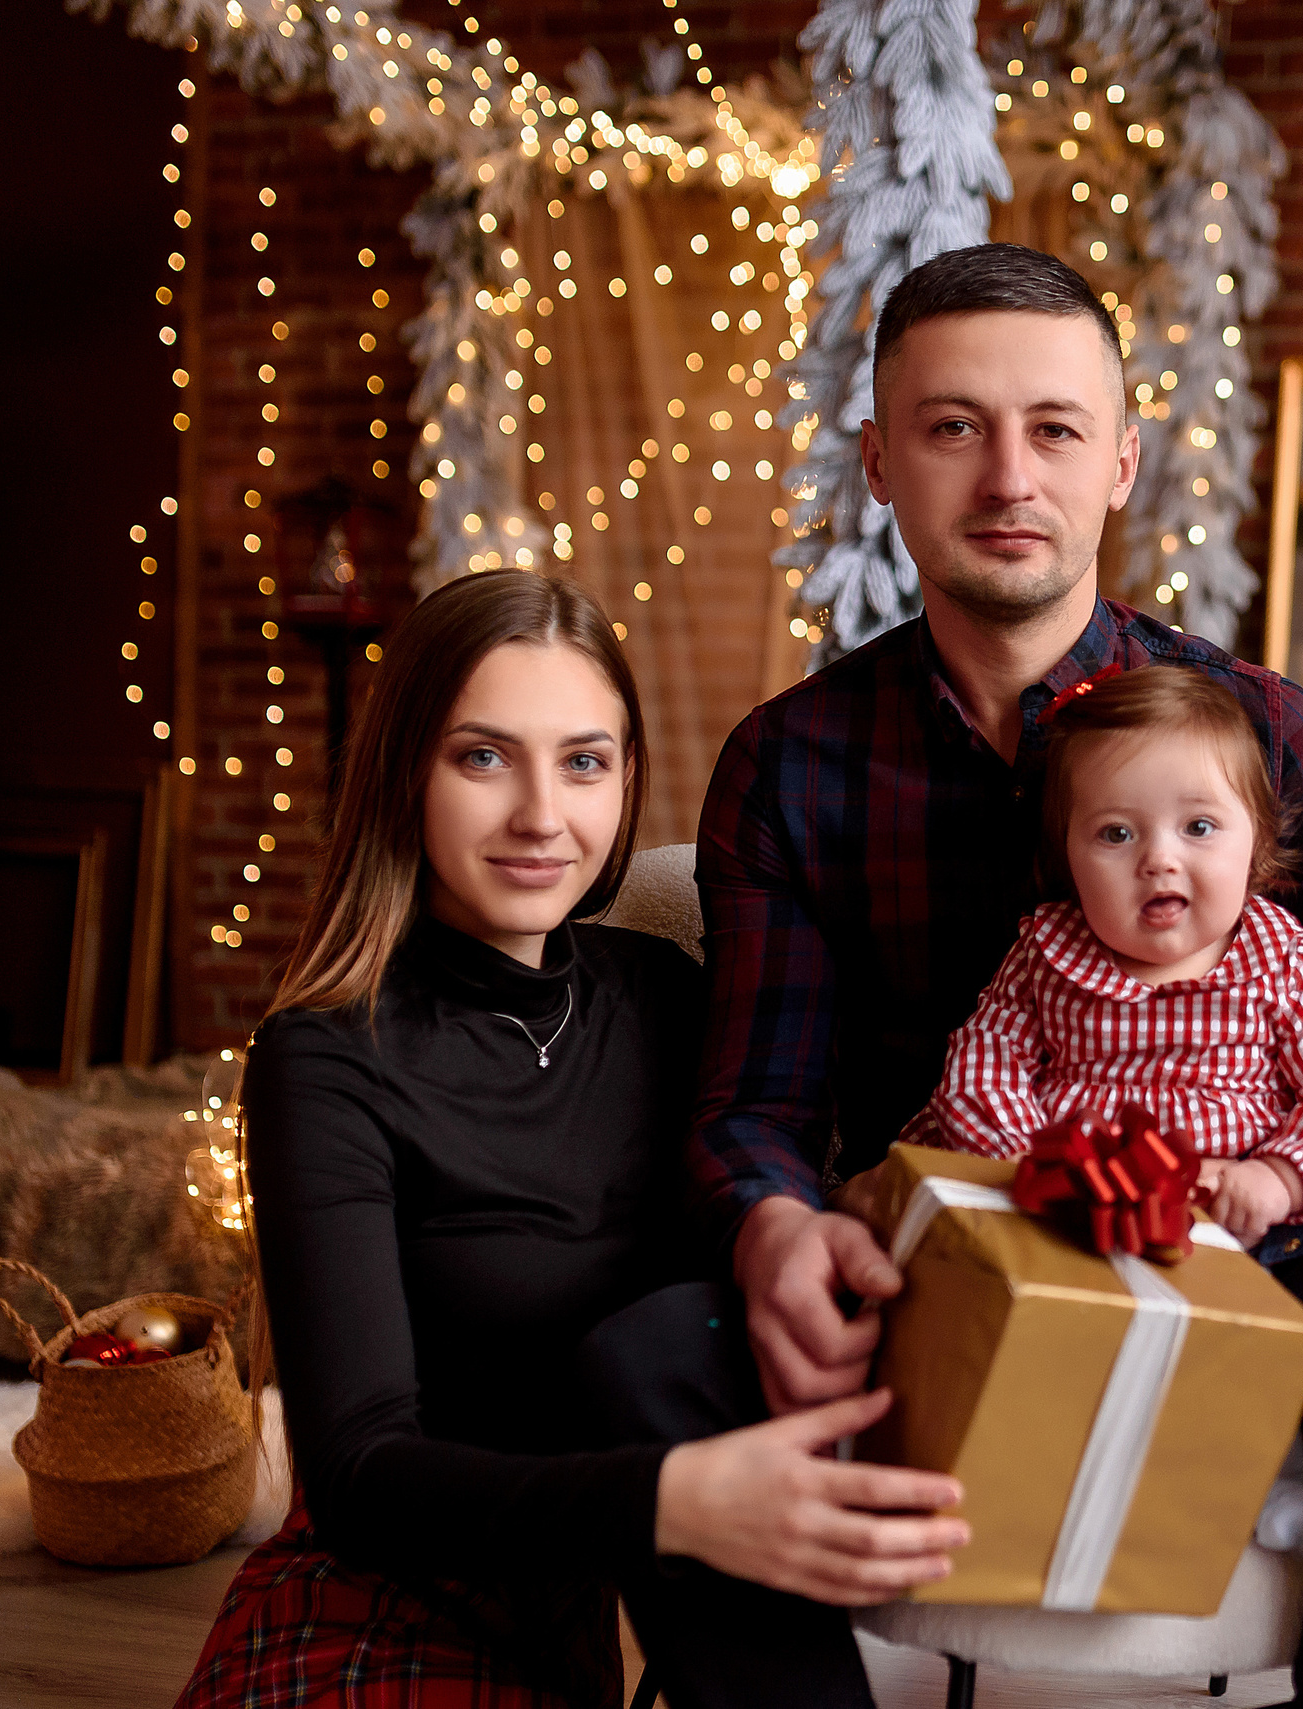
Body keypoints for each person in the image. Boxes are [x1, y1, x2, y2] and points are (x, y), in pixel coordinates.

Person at [663, 241, 1303, 1708]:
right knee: (647, 1353)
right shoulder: (792, 763)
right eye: (955, 427)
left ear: (1123, 461)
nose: (1009, 476)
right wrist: (774, 1226)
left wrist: (1254, 1193)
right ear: (881, 463)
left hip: (1258, 1249)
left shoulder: (1268, 741)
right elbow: (748, 1108)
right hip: (956, 1264)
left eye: (1056, 428)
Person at [173, 572, 966, 1709]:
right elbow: (357, 1476)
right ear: (407, 770)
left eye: (585, 760)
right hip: (383, 1596)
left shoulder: (672, 999)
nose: (543, 814)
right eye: (484, 757)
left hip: (597, 1615)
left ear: (629, 778)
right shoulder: (326, 1055)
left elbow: (796, 1226)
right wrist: (677, 1497)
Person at [900, 664, 1303, 1249]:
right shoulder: (1048, 951)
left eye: (1198, 826)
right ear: (1067, 859)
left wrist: (1279, 1177)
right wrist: (1030, 1168)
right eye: (1116, 834)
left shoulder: (1281, 960)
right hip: (1057, 1216)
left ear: (1258, 843)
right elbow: (983, 1069)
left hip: (1224, 1226)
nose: (1159, 859)